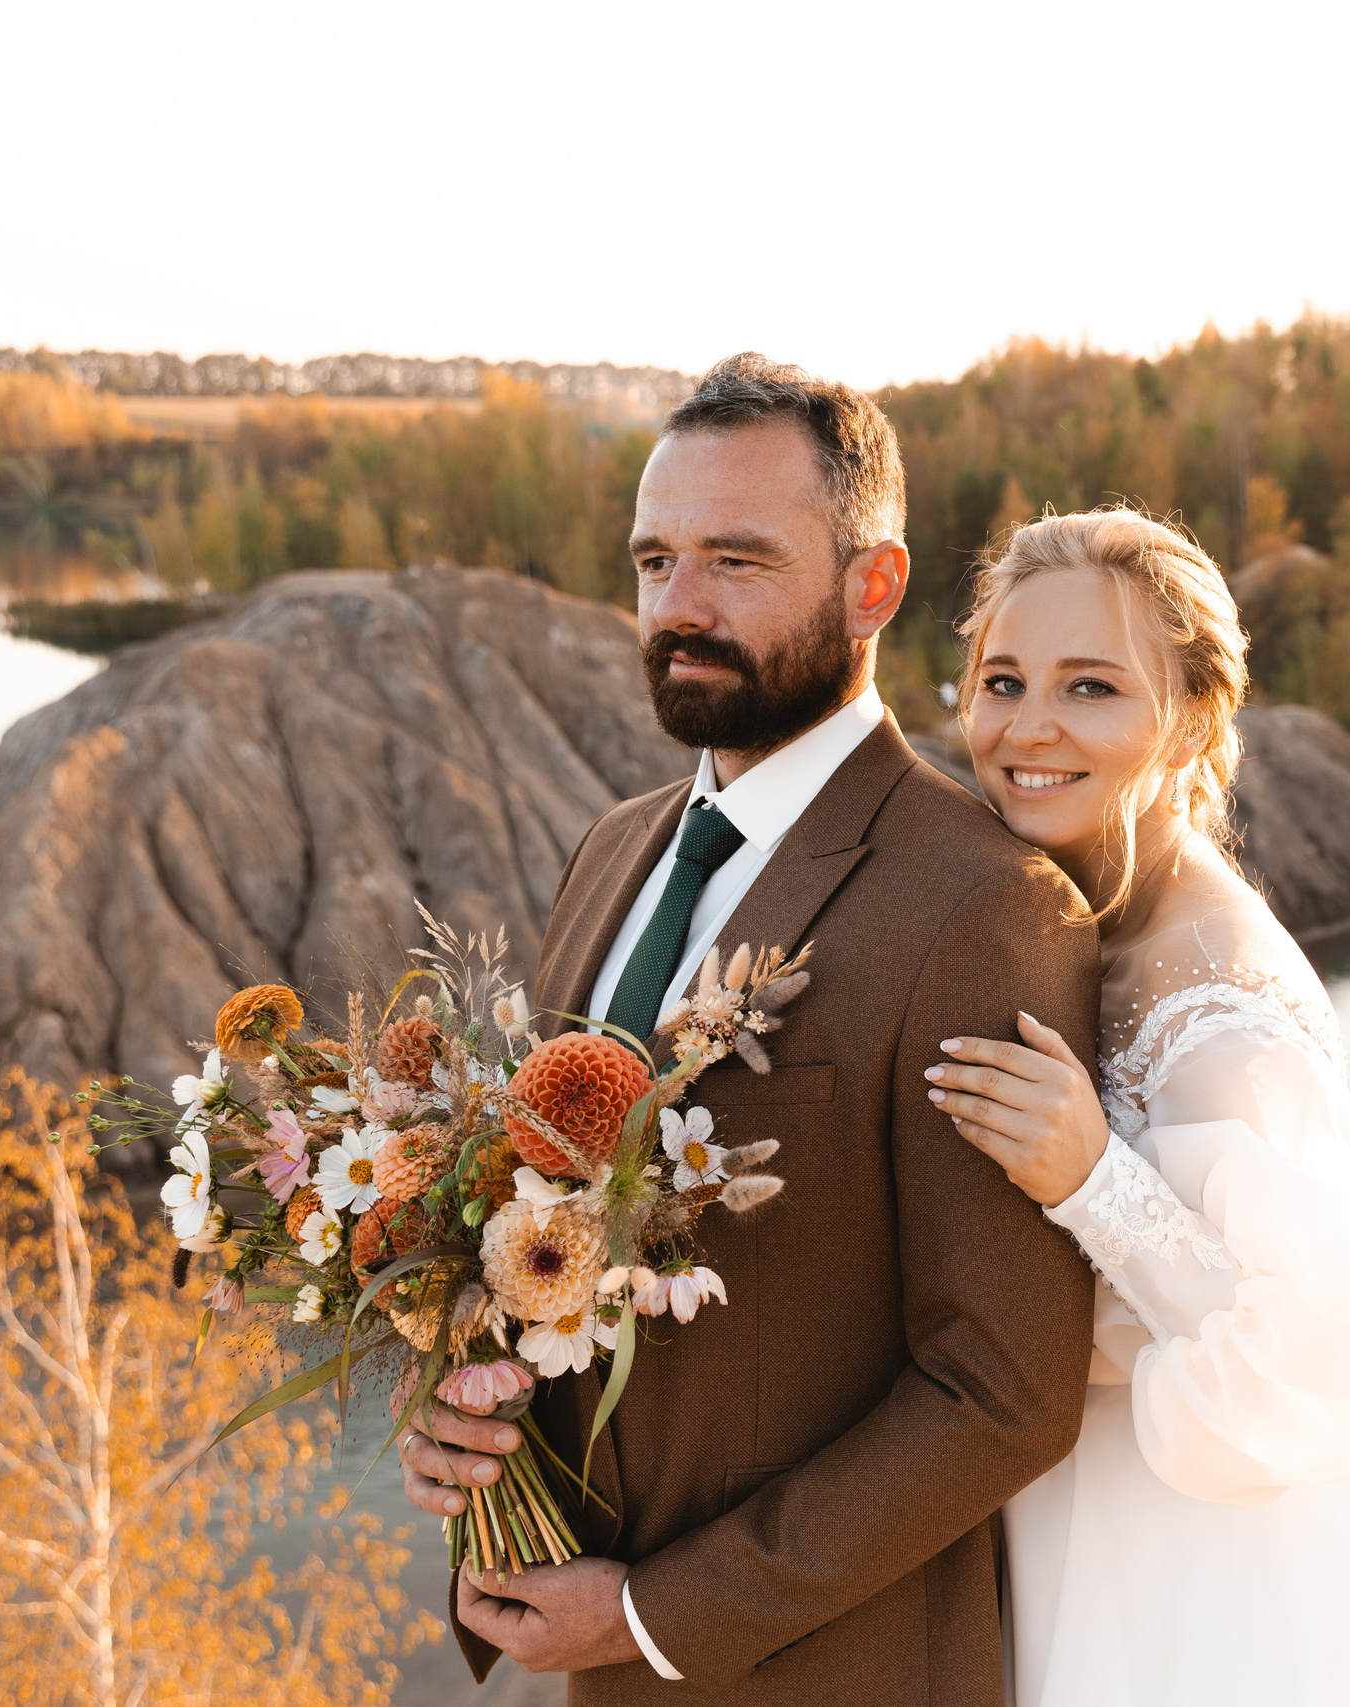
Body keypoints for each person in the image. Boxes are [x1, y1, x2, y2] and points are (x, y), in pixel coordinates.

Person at [396, 354, 1101, 1704]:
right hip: (592, 1661)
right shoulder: (613, 850)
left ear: (872, 585)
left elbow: (1001, 1390)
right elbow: (541, 1234)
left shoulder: (983, 905)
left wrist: (655, 1615)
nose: (679, 604)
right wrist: (467, 1406)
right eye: (654, 560)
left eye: (736, 559)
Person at [924, 508, 1350, 1705]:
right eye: (1002, 681)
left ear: (1194, 718)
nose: (1027, 727)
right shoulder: (1070, 914)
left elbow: (1336, 1350)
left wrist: (1095, 1185)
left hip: (1214, 1567)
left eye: (1090, 686)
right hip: (1066, 1514)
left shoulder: (1218, 1010)